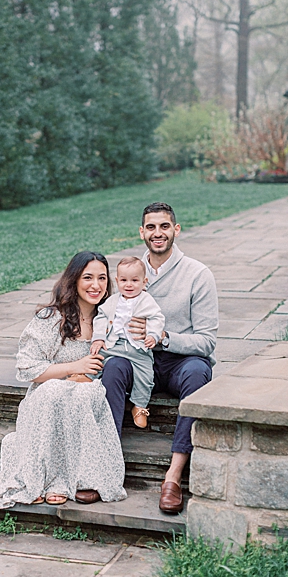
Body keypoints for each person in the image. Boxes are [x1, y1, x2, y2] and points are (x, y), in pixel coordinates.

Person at [0, 251, 127, 509]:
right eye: (88, 277)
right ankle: (42, 479)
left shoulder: (110, 320)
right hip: (48, 398)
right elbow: (28, 368)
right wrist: (73, 368)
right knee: (54, 390)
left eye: (102, 278)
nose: (96, 285)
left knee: (85, 393)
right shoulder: (52, 318)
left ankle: (76, 480)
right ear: (73, 280)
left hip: (86, 394)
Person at [101, 202, 217, 514]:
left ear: (176, 230)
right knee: (112, 367)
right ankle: (105, 467)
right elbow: (107, 312)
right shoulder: (130, 272)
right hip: (137, 360)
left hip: (179, 362)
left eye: (164, 226)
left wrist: (163, 337)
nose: (158, 233)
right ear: (142, 232)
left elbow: (207, 341)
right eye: (151, 227)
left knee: (198, 372)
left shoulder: (198, 274)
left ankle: (173, 477)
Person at [89, 257, 165, 429]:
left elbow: (157, 318)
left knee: (146, 375)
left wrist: (153, 334)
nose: (128, 285)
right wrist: (99, 337)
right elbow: (101, 317)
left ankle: (139, 405)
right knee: (97, 356)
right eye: (124, 280)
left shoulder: (146, 301)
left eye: (134, 280)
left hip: (138, 348)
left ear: (144, 282)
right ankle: (86, 377)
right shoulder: (113, 301)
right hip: (114, 345)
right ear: (117, 281)